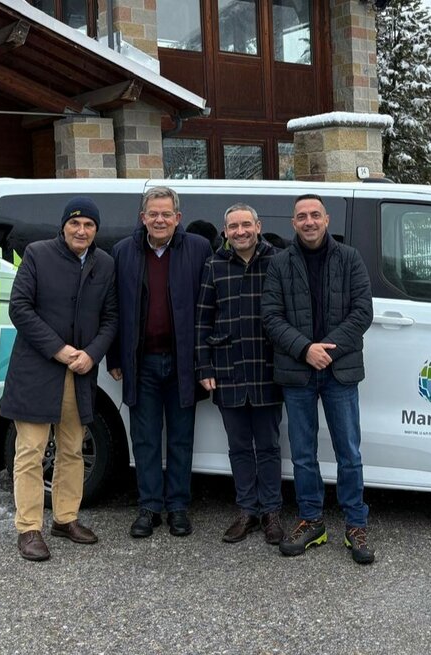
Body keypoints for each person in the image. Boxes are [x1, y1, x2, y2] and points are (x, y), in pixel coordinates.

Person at [0, 197, 117, 562]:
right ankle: (29, 528)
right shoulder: (38, 254)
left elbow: (111, 317)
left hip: (80, 372)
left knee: (72, 447)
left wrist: (91, 353)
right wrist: (60, 350)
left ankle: (65, 519)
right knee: (31, 450)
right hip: (38, 369)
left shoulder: (105, 264)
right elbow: (19, 307)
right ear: (64, 225)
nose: (81, 231)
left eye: (89, 226)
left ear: (96, 230)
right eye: (75, 223)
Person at [261, 193, 376, 565]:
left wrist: (326, 350)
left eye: (315, 215)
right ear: (293, 223)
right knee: (304, 454)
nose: (309, 221)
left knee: (349, 452)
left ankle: (356, 524)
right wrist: (305, 349)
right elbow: (271, 317)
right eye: (301, 216)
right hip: (297, 371)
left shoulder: (349, 258)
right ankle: (311, 520)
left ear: (327, 219)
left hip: (339, 371)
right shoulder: (280, 264)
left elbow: (362, 312)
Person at [109, 186, 212, 538]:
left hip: (185, 363)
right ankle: (149, 507)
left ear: (178, 218)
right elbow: (114, 309)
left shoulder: (198, 249)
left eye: (166, 214)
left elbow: (209, 308)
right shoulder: (124, 251)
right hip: (142, 363)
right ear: (143, 217)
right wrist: (114, 356)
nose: (159, 220)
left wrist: (206, 361)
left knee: (182, 438)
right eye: (153, 213)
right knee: (146, 439)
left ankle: (178, 507)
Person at [196, 204, 284, 545]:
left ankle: (271, 512)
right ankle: (247, 510)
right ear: (226, 231)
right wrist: (203, 366)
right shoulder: (214, 265)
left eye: (246, 224)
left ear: (258, 226)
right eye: (234, 226)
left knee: (269, 445)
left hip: (268, 369)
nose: (241, 231)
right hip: (228, 368)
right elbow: (202, 319)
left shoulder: (278, 262)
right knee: (238, 447)